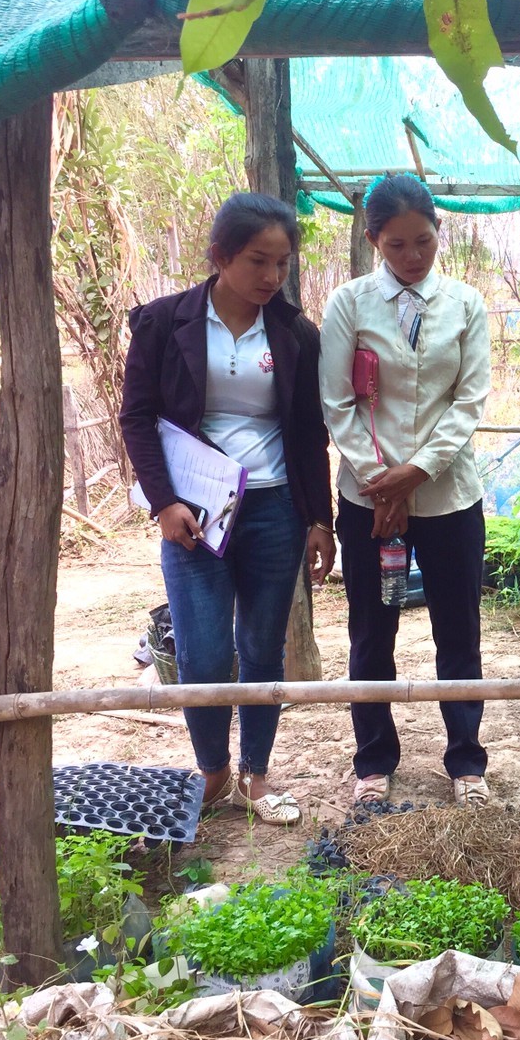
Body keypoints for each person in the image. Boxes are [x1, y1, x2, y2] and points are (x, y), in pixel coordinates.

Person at [120, 192, 335, 826]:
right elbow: (136, 418)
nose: (271, 277)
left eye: (281, 263)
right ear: (219, 257)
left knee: (263, 647)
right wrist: (163, 502)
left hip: (273, 508)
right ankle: (212, 770)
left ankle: (255, 777)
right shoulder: (163, 323)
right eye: (256, 261)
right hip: (195, 511)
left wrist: (317, 517)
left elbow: (306, 432)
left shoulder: (296, 334)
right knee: (204, 648)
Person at [318, 174, 492, 807]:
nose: (413, 257)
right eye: (397, 245)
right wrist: (378, 481)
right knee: (372, 629)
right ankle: (373, 761)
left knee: (459, 629)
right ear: (373, 240)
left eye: (424, 241)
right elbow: (337, 401)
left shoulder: (467, 304)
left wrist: (413, 475)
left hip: (448, 500)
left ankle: (467, 761)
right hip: (369, 505)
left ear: (438, 232)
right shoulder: (349, 304)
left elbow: (467, 402)